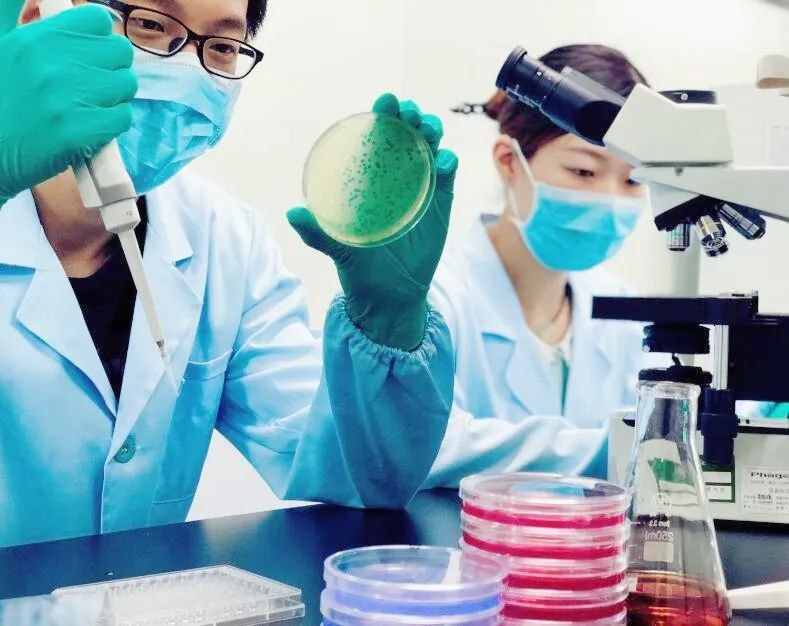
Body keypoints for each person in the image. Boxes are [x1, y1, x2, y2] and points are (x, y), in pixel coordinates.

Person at [0, 0, 460, 548]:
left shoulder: (222, 239)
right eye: (150, 24)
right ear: (40, 20)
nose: (184, 69)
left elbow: (360, 478)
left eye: (220, 46)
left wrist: (389, 320)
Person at [425, 44, 652, 486]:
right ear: (510, 162)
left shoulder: (625, 312)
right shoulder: (437, 302)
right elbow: (428, 447)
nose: (610, 199)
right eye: (584, 171)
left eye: (632, 180)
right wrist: (627, 447)